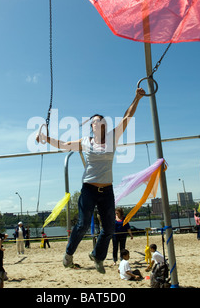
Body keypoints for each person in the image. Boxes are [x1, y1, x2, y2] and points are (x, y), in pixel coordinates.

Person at [37, 88, 146, 273]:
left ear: (104, 125)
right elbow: (63, 145)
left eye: (101, 120)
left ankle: (97, 255)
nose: (99, 122)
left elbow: (127, 117)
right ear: (92, 126)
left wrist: (137, 98)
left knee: (110, 229)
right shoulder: (85, 141)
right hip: (88, 188)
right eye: (95, 120)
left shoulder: (113, 136)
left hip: (107, 190)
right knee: (83, 224)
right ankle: (68, 254)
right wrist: (44, 138)